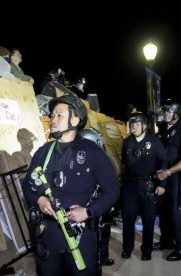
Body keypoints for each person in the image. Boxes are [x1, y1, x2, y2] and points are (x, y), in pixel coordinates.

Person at [22, 94, 119, 275]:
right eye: (52, 115)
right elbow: (27, 187)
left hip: (79, 233)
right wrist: (39, 200)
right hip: (47, 233)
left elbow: (112, 190)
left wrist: (88, 212)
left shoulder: (92, 152)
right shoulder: (43, 153)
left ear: (75, 119)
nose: (53, 120)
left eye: (59, 115)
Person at [120, 112, 167, 261]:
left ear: (144, 126)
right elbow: (124, 163)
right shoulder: (127, 142)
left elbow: (163, 162)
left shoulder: (154, 141)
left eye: (136, 124)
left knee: (149, 220)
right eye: (131, 124)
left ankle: (146, 250)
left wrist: (162, 184)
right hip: (130, 187)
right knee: (128, 219)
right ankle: (127, 249)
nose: (133, 127)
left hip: (149, 185)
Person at [154, 98, 181, 261]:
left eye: (168, 111)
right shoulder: (163, 127)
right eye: (164, 110)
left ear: (177, 114)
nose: (165, 113)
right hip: (165, 173)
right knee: (164, 209)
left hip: (178, 176)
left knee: (177, 211)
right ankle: (166, 242)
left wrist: (169, 172)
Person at [78, 127, 115, 267]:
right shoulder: (97, 158)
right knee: (96, 233)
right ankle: (97, 260)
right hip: (92, 203)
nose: (101, 144)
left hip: (95, 201)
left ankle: (102, 258)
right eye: (98, 141)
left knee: (102, 230)